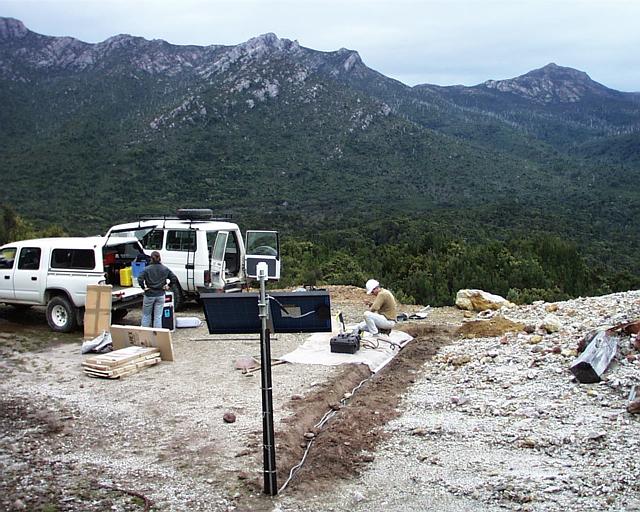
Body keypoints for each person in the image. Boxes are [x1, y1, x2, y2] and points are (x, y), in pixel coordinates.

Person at [138, 251, 178, 328]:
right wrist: (168, 286)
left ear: (151, 259)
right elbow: (174, 278)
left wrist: (143, 287)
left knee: (146, 315)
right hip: (160, 294)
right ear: (160, 258)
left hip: (149, 294)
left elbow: (140, 279)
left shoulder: (146, 269)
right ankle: (157, 334)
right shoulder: (165, 269)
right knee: (158, 316)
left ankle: (144, 333)